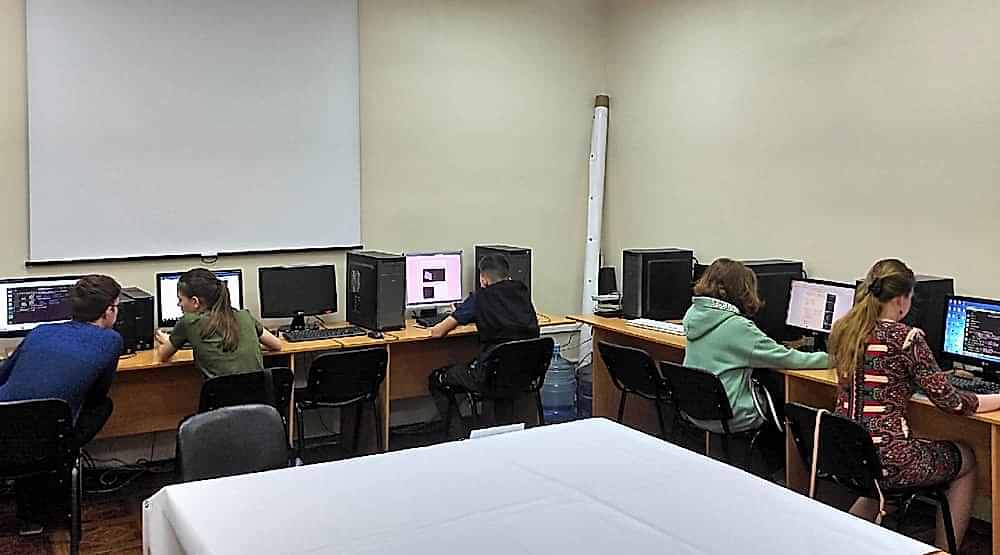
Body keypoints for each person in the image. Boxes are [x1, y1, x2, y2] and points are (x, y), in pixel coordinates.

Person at [829, 259, 1000, 550]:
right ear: (901, 300)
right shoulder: (906, 339)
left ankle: (837, 543)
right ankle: (944, 550)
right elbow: (952, 402)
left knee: (876, 475)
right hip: (889, 460)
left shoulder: (844, 330)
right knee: (968, 458)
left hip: (850, 452)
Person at [0, 274, 123, 534]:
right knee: (103, 406)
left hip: (4, 434)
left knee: (31, 418)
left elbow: (3, 375)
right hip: (49, 444)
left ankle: (30, 512)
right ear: (108, 311)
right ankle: (63, 468)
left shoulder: (41, 331)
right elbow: (97, 394)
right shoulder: (111, 340)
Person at [683, 258, 829, 434]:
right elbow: (788, 359)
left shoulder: (694, 314)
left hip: (696, 410)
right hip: (731, 416)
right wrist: (833, 359)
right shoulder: (737, 327)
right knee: (781, 397)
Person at [427, 254, 539, 433]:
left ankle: (458, 436)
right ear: (507, 275)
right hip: (524, 372)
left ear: (483, 279)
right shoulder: (522, 291)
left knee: (436, 378)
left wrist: (462, 312)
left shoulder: (480, 298)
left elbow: (438, 332)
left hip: (491, 375)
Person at [153, 268, 281, 378]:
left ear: (195, 301)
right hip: (259, 397)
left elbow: (163, 355)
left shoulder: (188, 322)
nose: (179, 304)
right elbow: (276, 345)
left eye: (180, 299)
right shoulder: (244, 316)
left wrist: (167, 340)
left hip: (221, 399)